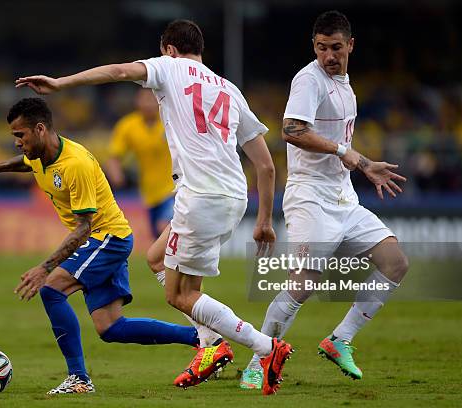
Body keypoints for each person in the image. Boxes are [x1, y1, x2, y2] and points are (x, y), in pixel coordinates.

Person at [15, 19, 293, 395]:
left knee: (180, 295)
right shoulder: (229, 89)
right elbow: (266, 164)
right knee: (157, 257)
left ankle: (264, 348)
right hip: (233, 195)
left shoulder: (168, 67)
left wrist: (61, 84)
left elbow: (117, 71)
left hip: (201, 196)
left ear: (169, 49)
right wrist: (264, 220)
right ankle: (208, 343)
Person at [0, 97, 202, 395]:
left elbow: (83, 228)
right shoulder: (41, 154)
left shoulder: (75, 164)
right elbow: (27, 164)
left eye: (19, 135)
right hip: (104, 239)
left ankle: (79, 379)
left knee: (51, 290)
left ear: (39, 129)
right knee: (111, 328)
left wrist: (44, 268)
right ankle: (202, 339)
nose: (16, 143)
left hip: (106, 238)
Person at [239, 10, 409, 390]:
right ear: (313, 47)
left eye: (335, 47)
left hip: (342, 196)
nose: (328, 55)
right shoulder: (308, 80)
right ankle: (257, 361)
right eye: (321, 48)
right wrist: (350, 155)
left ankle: (340, 339)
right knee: (304, 281)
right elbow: (291, 130)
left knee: (394, 262)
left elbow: (338, 146)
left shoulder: (345, 85)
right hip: (309, 195)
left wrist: (356, 162)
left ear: (351, 45)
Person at [107, 88, 174, 239]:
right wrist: (116, 173)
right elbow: (114, 156)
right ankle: (177, 262)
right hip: (149, 194)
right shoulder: (128, 126)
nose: (148, 104)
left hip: (174, 189)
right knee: (158, 240)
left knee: (164, 227)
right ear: (137, 102)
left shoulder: (169, 120)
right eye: (144, 100)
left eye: (152, 100)